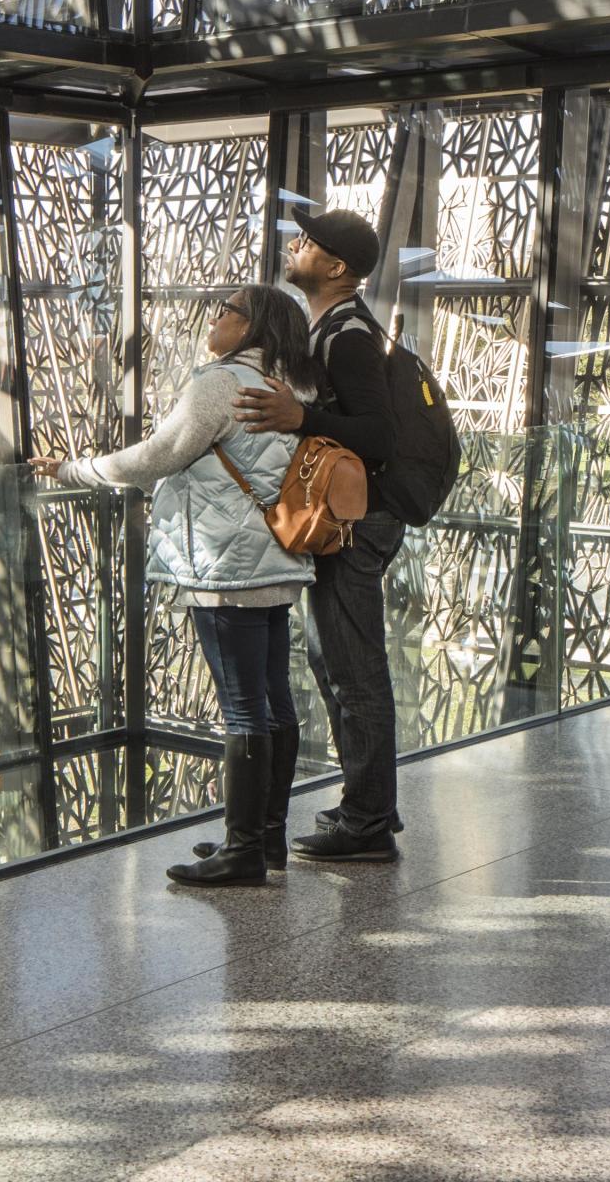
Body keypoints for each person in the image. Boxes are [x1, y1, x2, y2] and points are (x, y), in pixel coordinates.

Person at [42, 283, 316, 885]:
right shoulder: (296, 385)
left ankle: (242, 850)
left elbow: (160, 454)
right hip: (276, 556)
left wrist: (76, 468)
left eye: (226, 311)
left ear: (252, 327)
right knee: (274, 697)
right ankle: (266, 838)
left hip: (224, 567)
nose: (214, 319)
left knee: (244, 706)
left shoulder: (221, 383)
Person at [235, 208, 406, 862]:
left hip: (355, 524)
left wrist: (299, 414)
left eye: (308, 242)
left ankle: (367, 822)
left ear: (336, 267)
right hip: (348, 519)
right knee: (334, 661)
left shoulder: (348, 335)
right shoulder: (333, 326)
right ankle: (364, 810)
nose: (294, 246)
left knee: (353, 668)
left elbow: (381, 435)